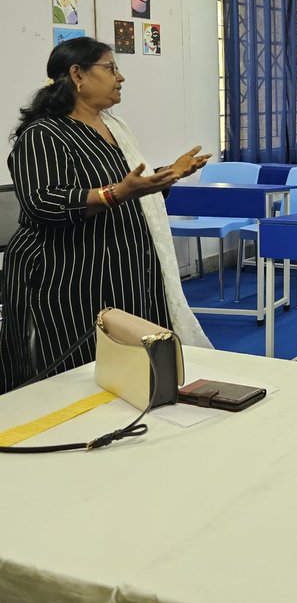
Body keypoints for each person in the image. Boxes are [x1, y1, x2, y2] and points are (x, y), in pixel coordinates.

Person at [0, 38, 211, 393]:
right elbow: (43, 202)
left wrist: (166, 174)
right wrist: (118, 193)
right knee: (73, 380)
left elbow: (126, 187)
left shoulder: (113, 128)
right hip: (68, 280)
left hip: (125, 276)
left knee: (129, 377)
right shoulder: (44, 134)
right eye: (111, 68)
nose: (121, 77)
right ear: (77, 74)